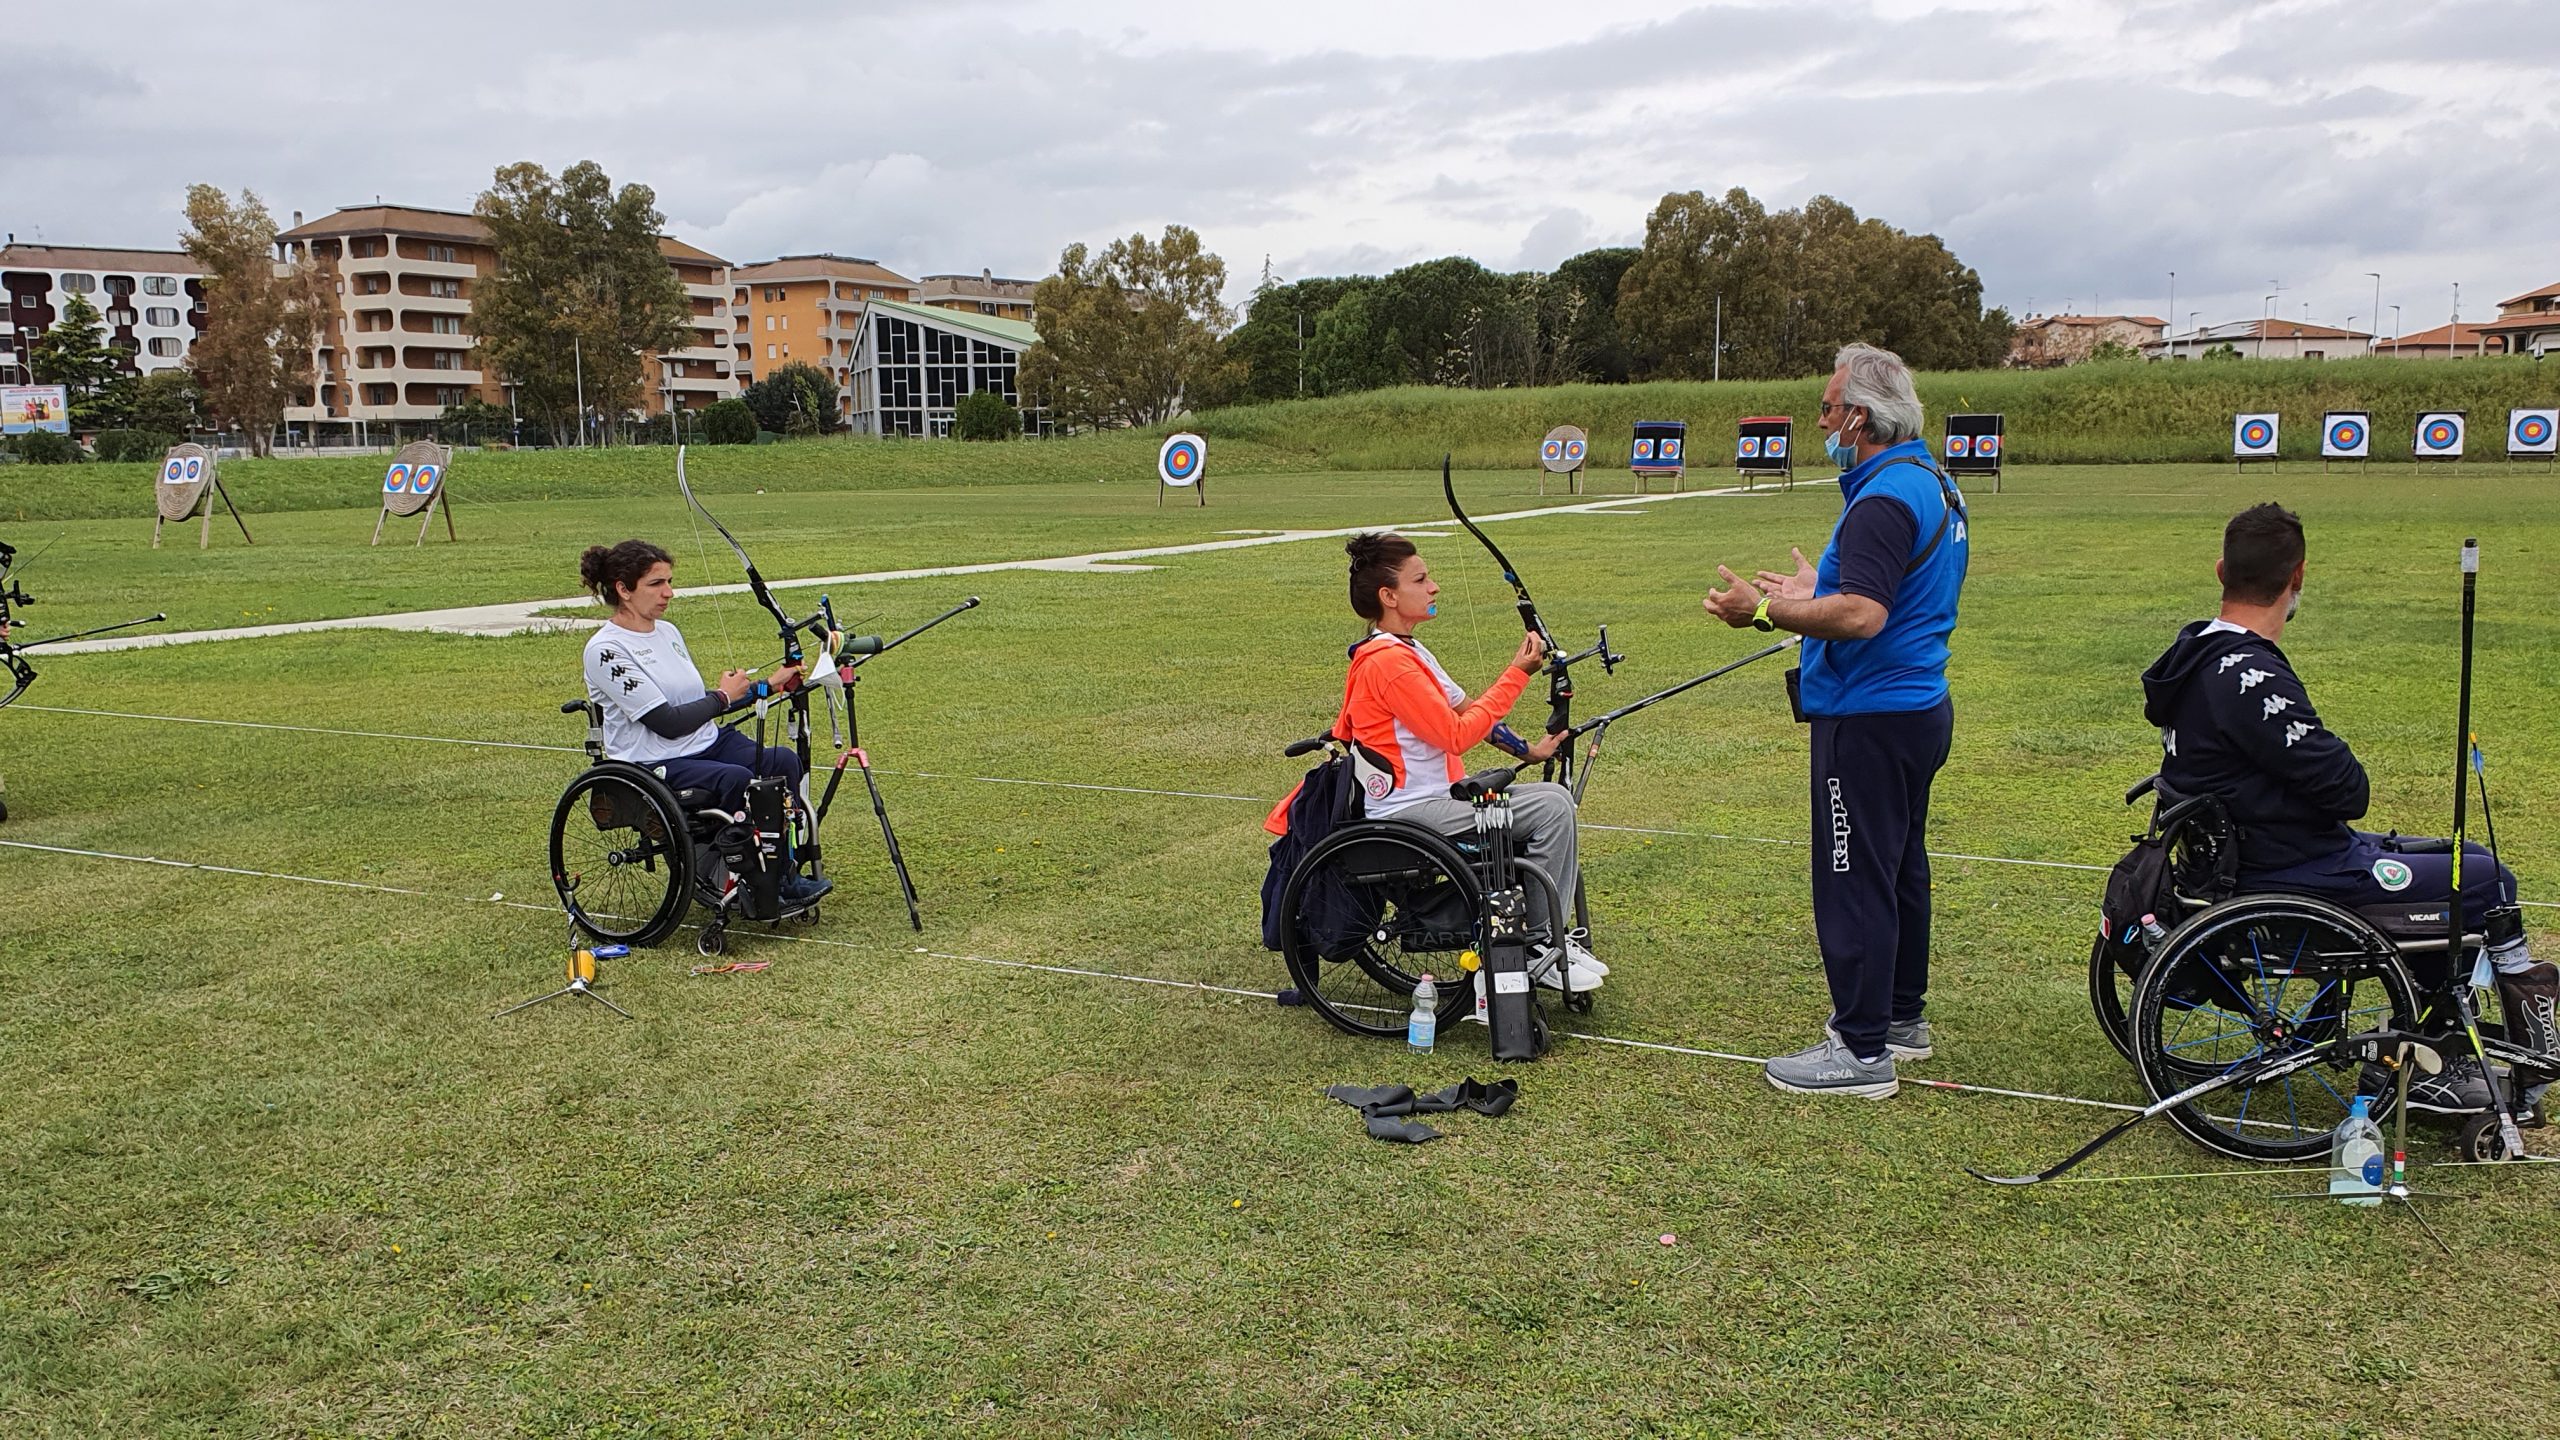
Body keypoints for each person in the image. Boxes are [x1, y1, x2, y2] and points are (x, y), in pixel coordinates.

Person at [2140, 502, 2558, 1112]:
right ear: (2298, 577)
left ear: (2221, 570)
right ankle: (2438, 1059)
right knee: (2483, 880)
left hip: (2256, 852)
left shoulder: (2196, 653)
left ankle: (2434, 1036)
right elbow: (2347, 790)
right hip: (2295, 868)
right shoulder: (2248, 676)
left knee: (2457, 857)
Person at [1703, 343, 1969, 1099]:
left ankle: (1860, 1051)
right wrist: (1815, 585)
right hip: (1913, 709)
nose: (1822, 422)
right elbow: (1893, 589)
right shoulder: (1931, 482)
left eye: (1827, 409)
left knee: (1853, 875)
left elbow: (1862, 612)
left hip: (1872, 718)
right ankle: (1898, 1020)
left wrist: (1764, 610)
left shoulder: (1886, 495)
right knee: (1898, 869)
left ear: (1859, 416)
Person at [1323, 532, 1605, 991]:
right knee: (1553, 808)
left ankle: (1543, 939)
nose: (1433, 587)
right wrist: (1516, 675)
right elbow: (1455, 734)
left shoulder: (1410, 651)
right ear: (1389, 596)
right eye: (1421, 579)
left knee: (1553, 799)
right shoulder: (1387, 663)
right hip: (1406, 812)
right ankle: (1538, 943)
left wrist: (1530, 751)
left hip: (1436, 800)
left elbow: (1464, 707)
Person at [577, 539, 826, 904]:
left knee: (782, 761)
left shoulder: (668, 632)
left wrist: (765, 687)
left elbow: (695, 704)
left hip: (705, 743)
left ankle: (782, 872)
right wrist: (723, 696)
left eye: (669, 581)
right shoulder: (606, 651)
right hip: (653, 762)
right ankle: (756, 884)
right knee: (738, 779)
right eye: (656, 584)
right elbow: (667, 722)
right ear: (623, 589)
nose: (669, 593)